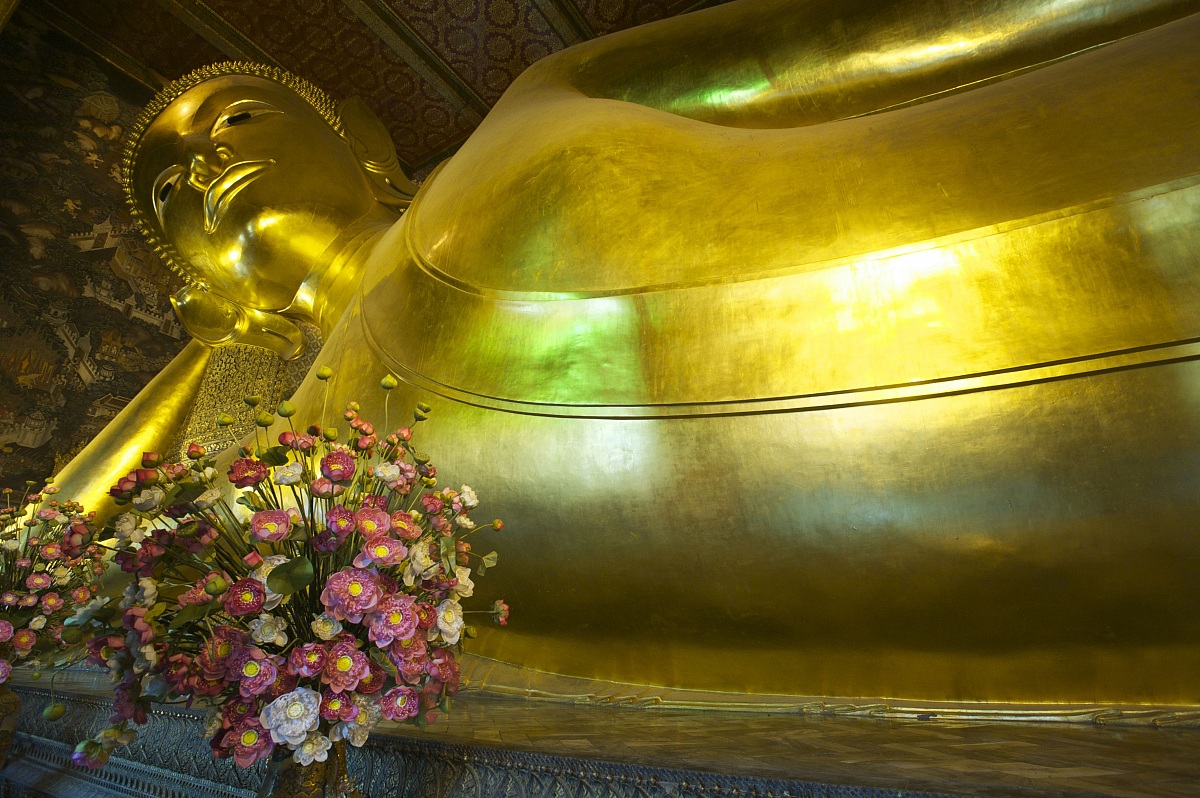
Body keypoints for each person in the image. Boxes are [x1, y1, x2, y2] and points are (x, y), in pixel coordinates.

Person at [56, 0, 1200, 708]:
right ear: (203, 285)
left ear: (360, 135)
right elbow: (59, 563)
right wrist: (214, 356)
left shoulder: (529, 106)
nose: (205, 166)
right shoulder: (294, 477)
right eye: (177, 192)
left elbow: (905, 33)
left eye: (236, 120)